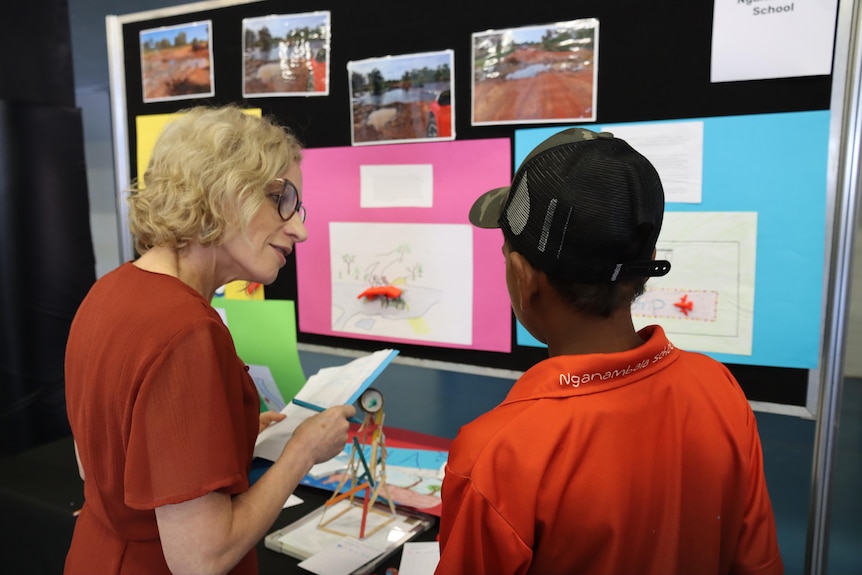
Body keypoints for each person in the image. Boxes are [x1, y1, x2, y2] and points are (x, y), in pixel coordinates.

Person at [436, 127, 783, 574]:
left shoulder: (497, 453)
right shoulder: (718, 388)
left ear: (524, 278)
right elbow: (758, 564)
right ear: (645, 262)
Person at [64, 105, 356, 575]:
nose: (299, 228)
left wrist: (225, 438)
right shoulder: (185, 331)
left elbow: (99, 462)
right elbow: (202, 558)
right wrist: (303, 450)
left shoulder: (109, 292)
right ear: (222, 193)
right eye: (281, 199)